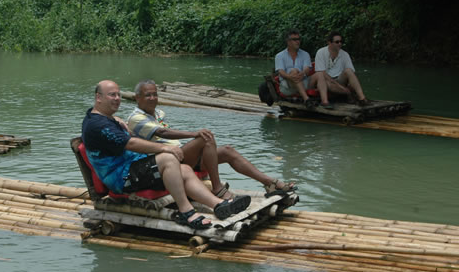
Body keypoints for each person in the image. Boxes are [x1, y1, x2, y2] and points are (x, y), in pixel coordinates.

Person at [81, 80, 251, 230]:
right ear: (99, 98)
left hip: (129, 166)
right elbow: (131, 143)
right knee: (168, 158)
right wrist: (164, 148)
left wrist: (116, 119)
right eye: (112, 95)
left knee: (183, 168)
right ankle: (186, 212)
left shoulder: (101, 117)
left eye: (118, 94)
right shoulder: (98, 124)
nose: (117, 98)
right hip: (119, 176)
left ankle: (219, 205)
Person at [127, 79, 296, 197]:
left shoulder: (157, 113)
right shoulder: (136, 118)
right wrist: (194, 134)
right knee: (203, 138)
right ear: (137, 98)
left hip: (180, 155)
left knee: (228, 151)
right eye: (148, 95)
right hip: (163, 163)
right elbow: (162, 133)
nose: (153, 98)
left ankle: (270, 183)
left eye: (155, 94)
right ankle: (218, 188)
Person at [313, 31, 369, 108]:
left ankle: (362, 98)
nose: (340, 44)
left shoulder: (345, 54)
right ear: (329, 43)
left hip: (339, 80)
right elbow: (321, 73)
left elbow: (351, 72)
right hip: (326, 81)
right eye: (337, 42)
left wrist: (346, 84)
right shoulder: (321, 52)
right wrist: (340, 86)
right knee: (325, 83)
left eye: (341, 41)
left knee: (348, 71)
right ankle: (347, 93)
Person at [275, 29, 316, 109]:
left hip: (303, 82)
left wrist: (302, 73)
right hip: (287, 86)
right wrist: (290, 77)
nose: (298, 41)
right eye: (294, 39)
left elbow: (307, 69)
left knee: (319, 74)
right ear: (288, 41)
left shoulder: (305, 54)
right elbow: (281, 71)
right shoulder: (279, 56)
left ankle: (323, 101)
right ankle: (306, 99)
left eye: (299, 39)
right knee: (293, 71)